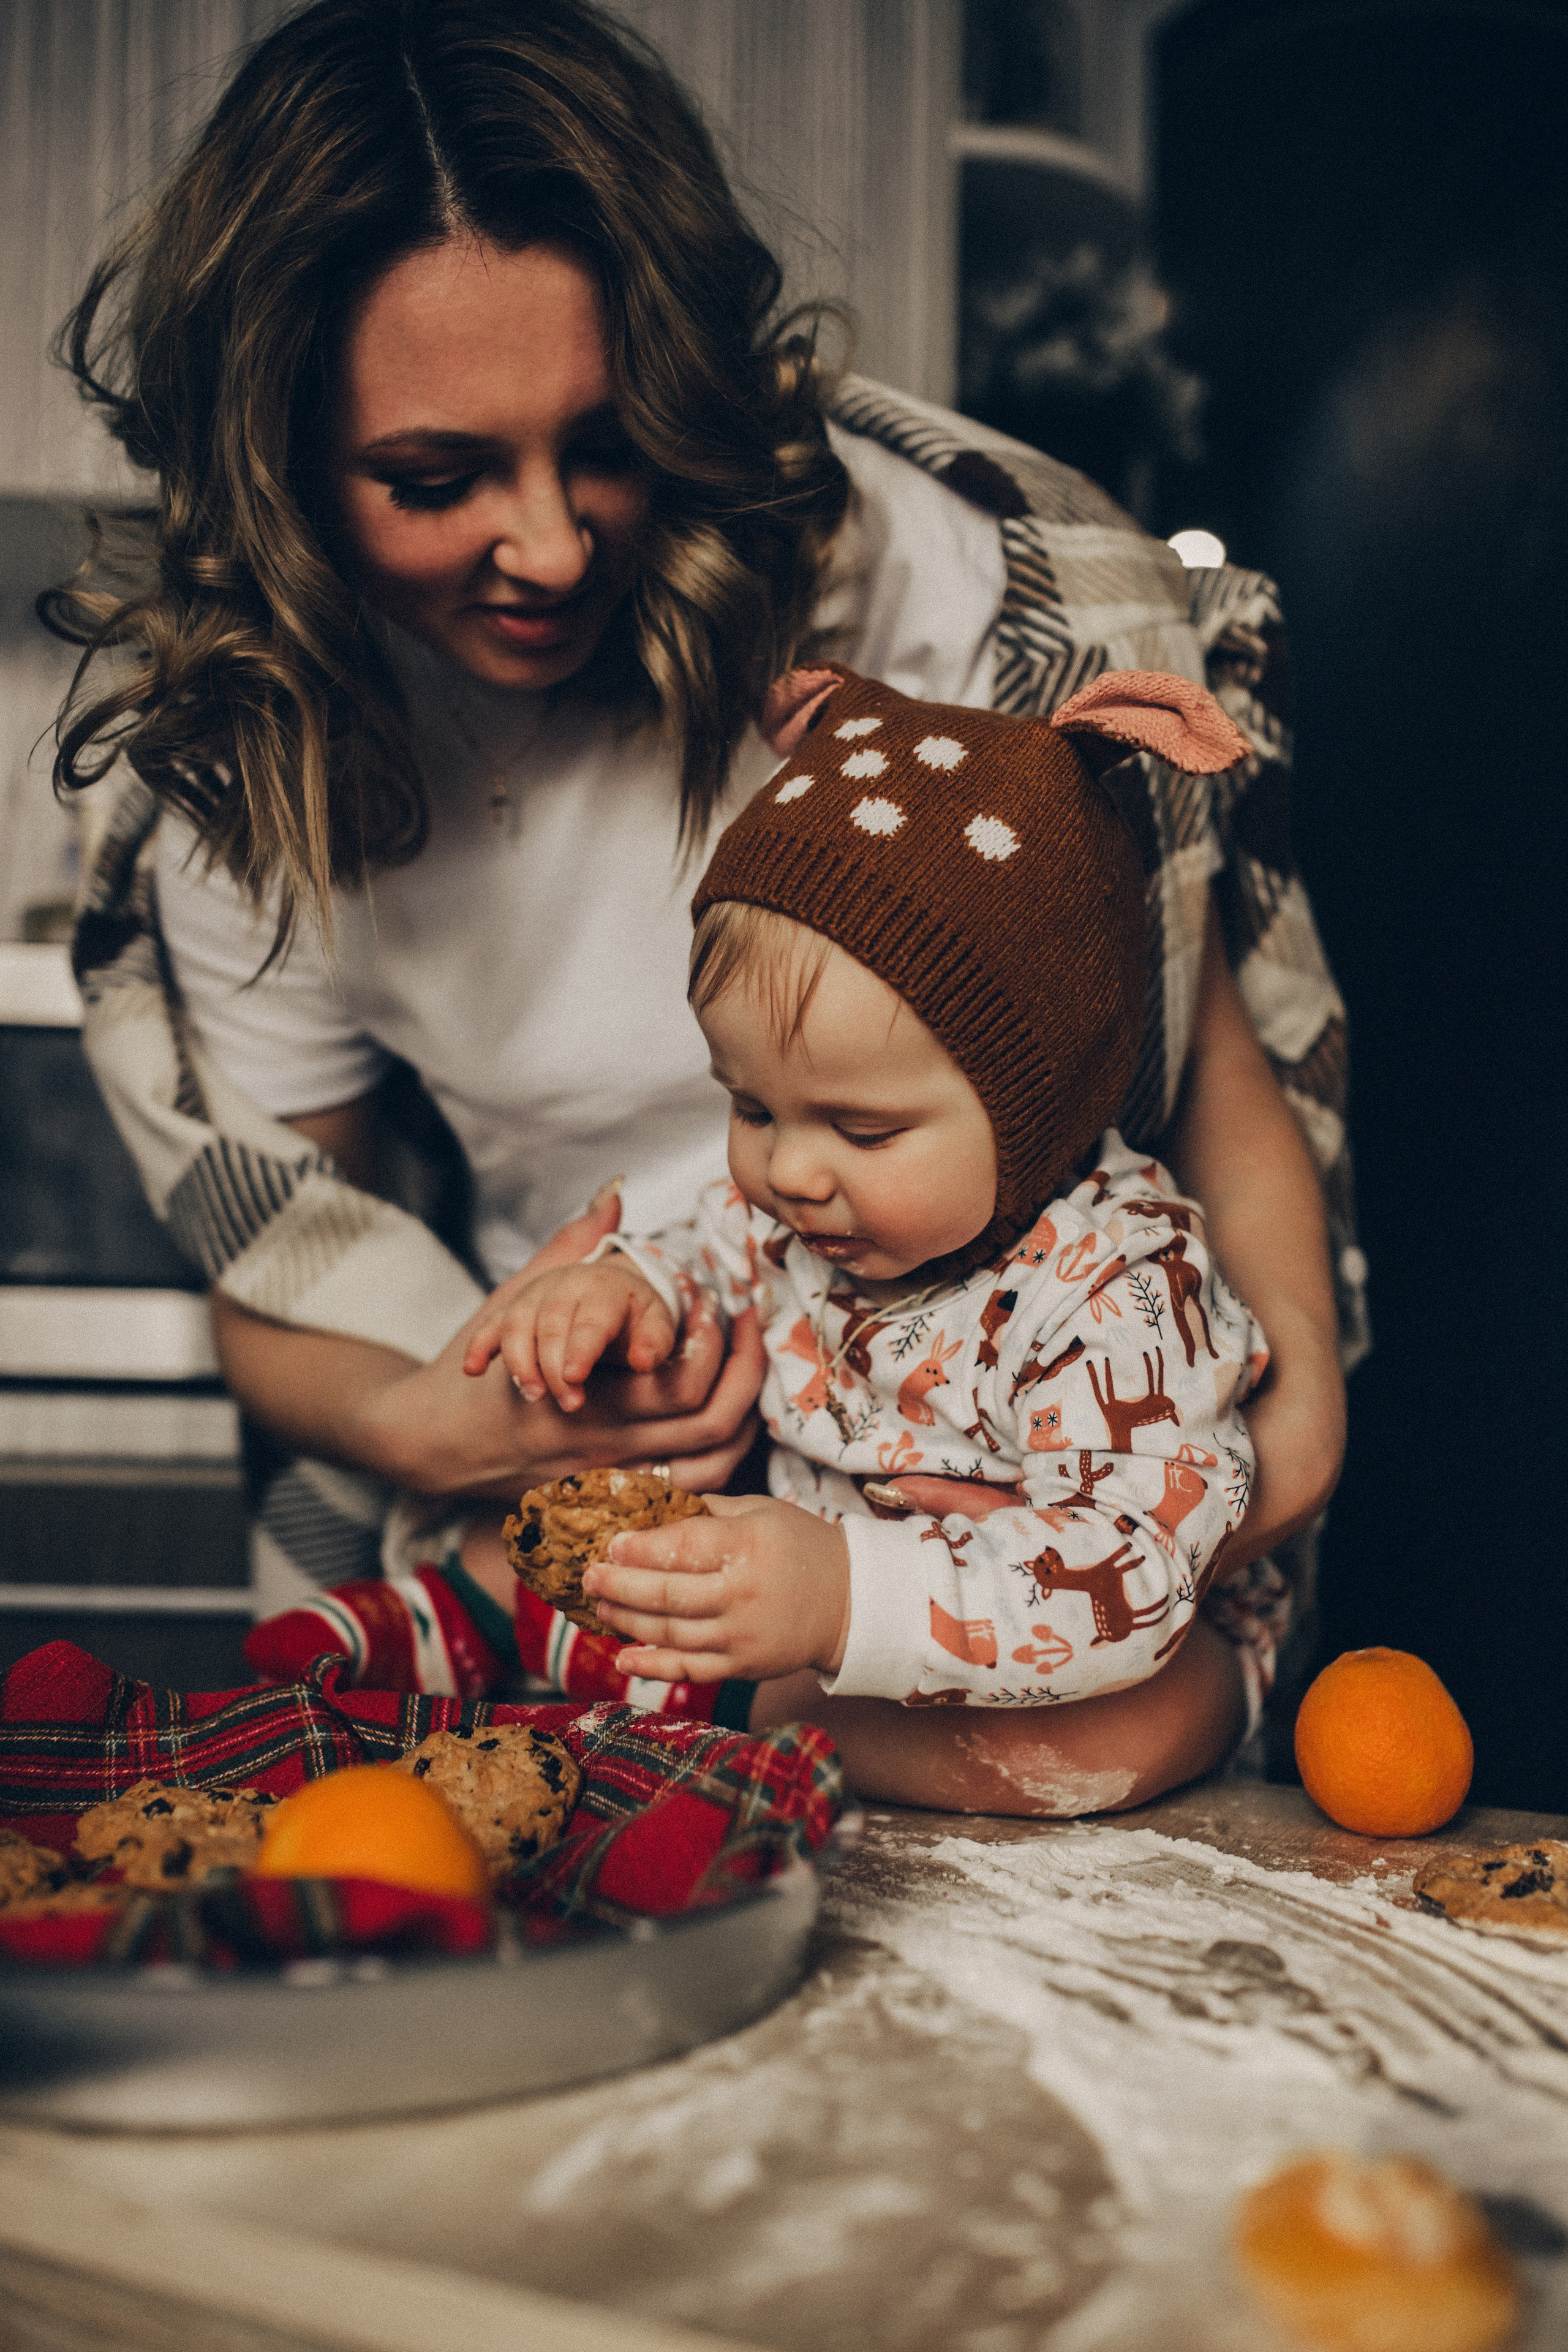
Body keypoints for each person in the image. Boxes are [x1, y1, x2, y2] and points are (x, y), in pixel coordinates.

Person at [49, 0, 1355, 1812]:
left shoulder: (929, 597)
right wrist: (470, 1414)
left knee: (1090, 1723)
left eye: (606, 441)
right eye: (437, 480)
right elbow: (297, 1257)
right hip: (622, 1443)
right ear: (272, 472)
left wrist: (1271, 1457)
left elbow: (1191, 1045)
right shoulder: (250, 771)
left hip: (976, 1443)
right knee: (529, 1653)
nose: (557, 547)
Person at [466, 662, 1286, 1750]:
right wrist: (627, 1292)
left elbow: (1127, 1576)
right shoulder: (796, 1214)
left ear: (1032, 1111)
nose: (792, 1174)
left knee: (1082, 1745)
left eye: (864, 1132)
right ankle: (476, 1614)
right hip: (817, 1608)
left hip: (1088, 1642)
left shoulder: (1119, 1288)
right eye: (753, 1108)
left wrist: (845, 1598)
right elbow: (710, 1255)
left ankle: (702, 1702)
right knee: (569, 1524)